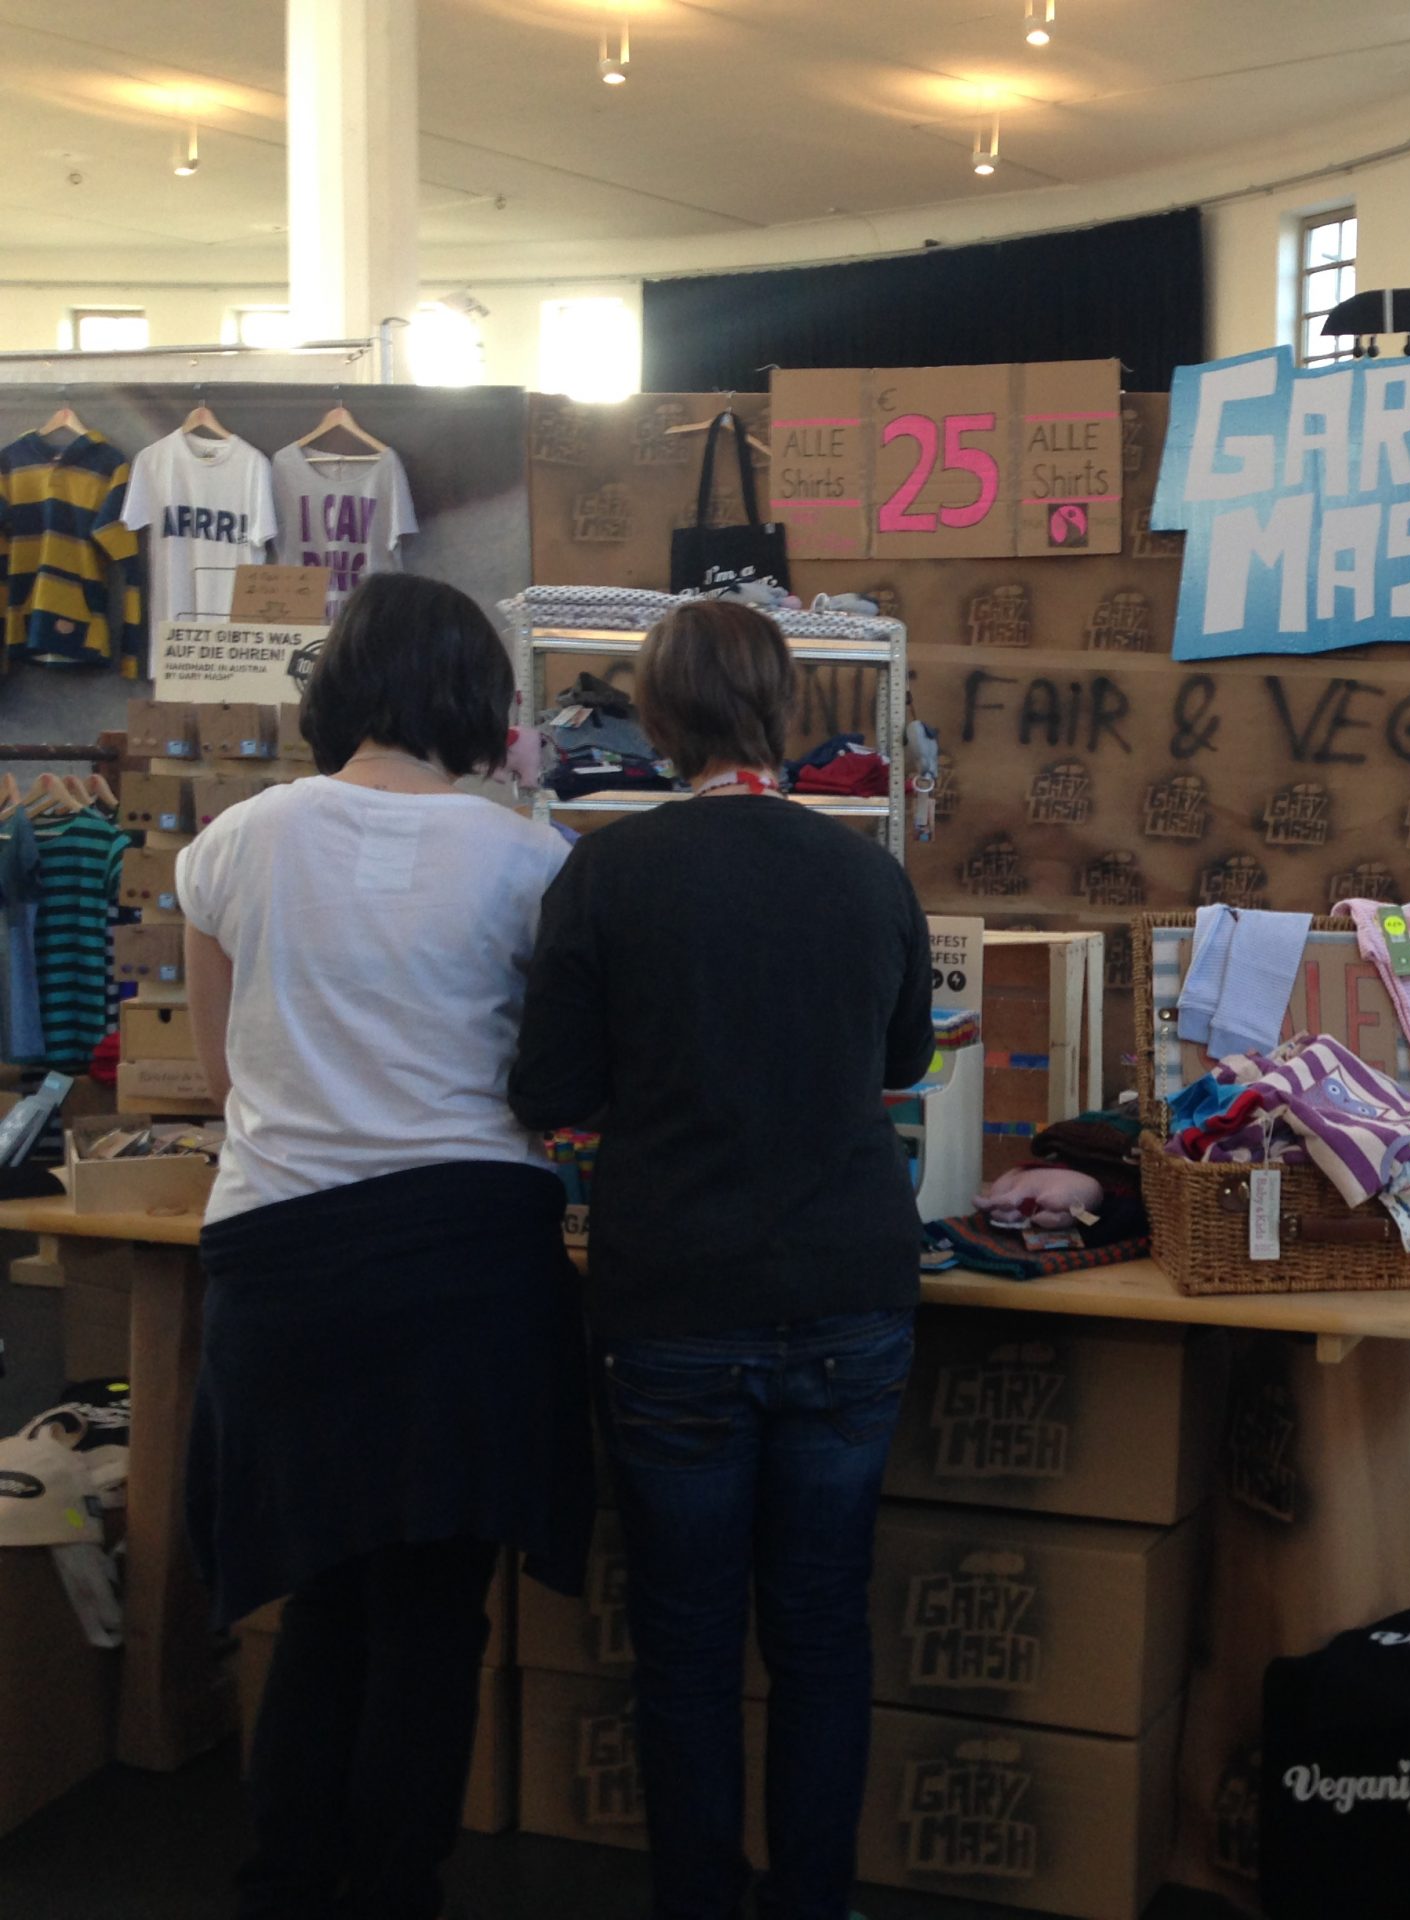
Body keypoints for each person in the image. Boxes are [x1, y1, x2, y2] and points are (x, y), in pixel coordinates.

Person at [509, 599, 935, 1920]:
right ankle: (814, 1903)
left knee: (685, 1645)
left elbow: (549, 1089)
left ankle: (696, 1899)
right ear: (784, 709)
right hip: (850, 1288)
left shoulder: (606, 874)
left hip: (674, 1298)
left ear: (655, 718)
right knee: (821, 1632)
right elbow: (904, 1062)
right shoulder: (868, 875)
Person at [178, 572, 593, 1920]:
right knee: (430, 1615)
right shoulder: (531, 860)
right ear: (479, 698)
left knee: (321, 1600)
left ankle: (284, 1884)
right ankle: (395, 1889)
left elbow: (218, 1071)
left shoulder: (235, 841)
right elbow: (554, 1084)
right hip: (464, 1263)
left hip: (281, 1258)